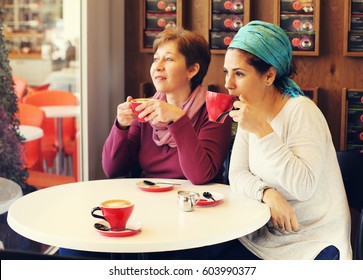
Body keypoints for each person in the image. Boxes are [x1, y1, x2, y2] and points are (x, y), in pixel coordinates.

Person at [212, 20, 351, 260]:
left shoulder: (301, 112)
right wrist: (267, 193)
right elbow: (236, 175)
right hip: (263, 233)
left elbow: (303, 187)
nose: (228, 84)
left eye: (239, 74)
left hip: (313, 241)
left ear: (269, 76)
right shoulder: (249, 108)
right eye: (227, 72)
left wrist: (263, 131)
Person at [102, 27, 232, 185]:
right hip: (150, 196)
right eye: (156, 59)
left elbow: (201, 176)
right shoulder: (146, 107)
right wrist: (121, 127)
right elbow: (113, 170)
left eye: (168, 59)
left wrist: (178, 119)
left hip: (197, 201)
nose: (158, 66)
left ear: (192, 70)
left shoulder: (215, 109)